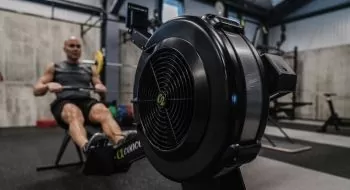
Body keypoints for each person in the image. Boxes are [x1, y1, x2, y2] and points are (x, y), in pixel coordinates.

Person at [33, 36, 127, 155]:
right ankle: (88, 148)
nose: (75, 49)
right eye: (71, 46)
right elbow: (36, 90)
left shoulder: (89, 68)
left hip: (86, 102)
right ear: (65, 48)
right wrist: (47, 86)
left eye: (78, 46)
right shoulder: (55, 67)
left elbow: (100, 90)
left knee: (102, 110)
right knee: (73, 112)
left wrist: (101, 89)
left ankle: (122, 146)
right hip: (64, 103)